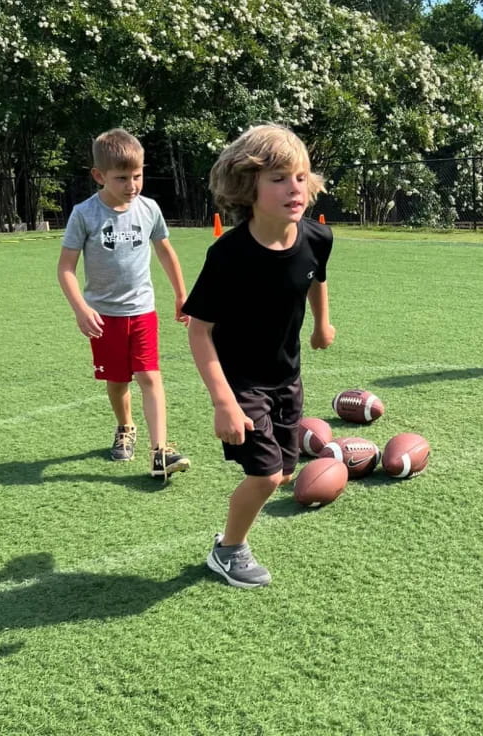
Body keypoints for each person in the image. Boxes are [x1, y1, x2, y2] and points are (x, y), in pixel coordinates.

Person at [183, 124, 336, 588]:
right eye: (279, 178)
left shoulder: (316, 237)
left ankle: (230, 537)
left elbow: (316, 277)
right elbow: (199, 331)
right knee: (268, 476)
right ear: (247, 187)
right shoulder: (229, 256)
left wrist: (321, 324)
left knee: (285, 473)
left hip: (287, 376)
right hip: (241, 383)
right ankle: (228, 551)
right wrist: (223, 402)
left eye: (302, 176)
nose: (296, 187)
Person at [57, 128, 191, 480]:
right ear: (99, 176)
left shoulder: (149, 209)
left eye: (137, 175)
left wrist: (181, 293)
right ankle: (125, 426)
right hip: (104, 317)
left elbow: (164, 251)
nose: (132, 185)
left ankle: (160, 451)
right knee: (117, 382)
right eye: (122, 178)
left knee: (149, 375)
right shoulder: (84, 214)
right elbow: (66, 269)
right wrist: (81, 308)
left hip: (142, 311)